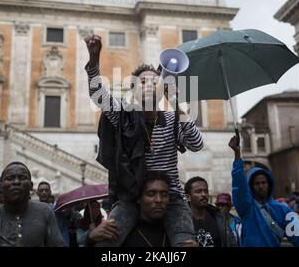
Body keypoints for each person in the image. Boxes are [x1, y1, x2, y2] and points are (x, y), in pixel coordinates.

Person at [84, 34, 203, 246]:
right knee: (105, 241)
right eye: (143, 81)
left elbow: (196, 144)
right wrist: (93, 61)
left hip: (172, 197)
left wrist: (175, 101)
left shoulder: (171, 117)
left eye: (155, 82)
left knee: (185, 245)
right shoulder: (123, 114)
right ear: (134, 91)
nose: (149, 85)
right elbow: (97, 94)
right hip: (131, 196)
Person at [229, 136, 299, 247]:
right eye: (256, 184)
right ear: (251, 186)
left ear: (269, 184)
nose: (261, 186)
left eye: (263, 183)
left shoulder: (283, 209)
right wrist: (237, 155)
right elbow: (239, 185)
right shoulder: (247, 207)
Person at [87, 171, 197, 247]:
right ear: (139, 198)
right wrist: (91, 240)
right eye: (151, 194)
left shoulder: (180, 232)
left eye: (164, 194)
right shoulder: (120, 232)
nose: (158, 200)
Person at [184, 177, 236, 247]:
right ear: (188, 197)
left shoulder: (218, 216)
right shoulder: (182, 220)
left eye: (206, 191)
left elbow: (232, 243)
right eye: (198, 191)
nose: (203, 194)